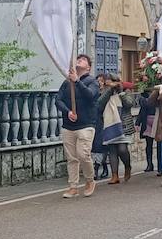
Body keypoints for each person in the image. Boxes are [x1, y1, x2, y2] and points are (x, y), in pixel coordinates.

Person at [55, 54, 100, 197]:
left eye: (83, 60)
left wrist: (78, 81)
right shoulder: (67, 82)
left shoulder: (92, 81)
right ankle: (73, 186)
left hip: (86, 124)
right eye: (78, 59)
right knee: (71, 158)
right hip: (69, 125)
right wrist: (67, 112)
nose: (79, 61)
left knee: (83, 154)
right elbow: (58, 100)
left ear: (88, 67)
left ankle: (89, 180)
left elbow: (91, 96)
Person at [96, 74, 136, 183]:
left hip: (124, 126)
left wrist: (120, 91)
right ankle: (115, 175)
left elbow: (129, 104)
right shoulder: (105, 92)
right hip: (110, 125)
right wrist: (110, 90)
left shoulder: (126, 91)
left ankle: (127, 167)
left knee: (122, 149)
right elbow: (99, 105)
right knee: (112, 150)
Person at [137, 90, 157, 172]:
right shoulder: (144, 97)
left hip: (157, 120)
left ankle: (161, 165)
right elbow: (142, 110)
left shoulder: (159, 94)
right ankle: (149, 164)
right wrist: (138, 122)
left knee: (160, 144)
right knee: (149, 144)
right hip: (147, 122)